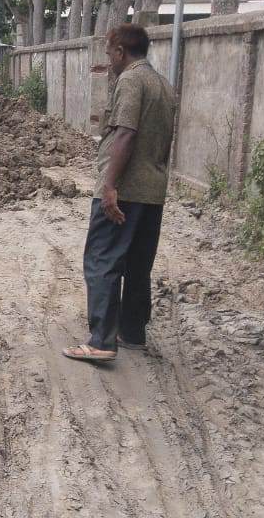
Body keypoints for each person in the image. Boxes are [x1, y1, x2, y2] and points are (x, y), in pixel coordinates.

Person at [63, 23, 177, 363]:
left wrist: (110, 185)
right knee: (138, 264)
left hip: (125, 188)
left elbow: (126, 134)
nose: (109, 59)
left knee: (102, 259)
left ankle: (101, 340)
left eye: (110, 52)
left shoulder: (130, 81)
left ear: (120, 51)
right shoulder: (163, 85)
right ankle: (132, 333)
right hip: (153, 190)